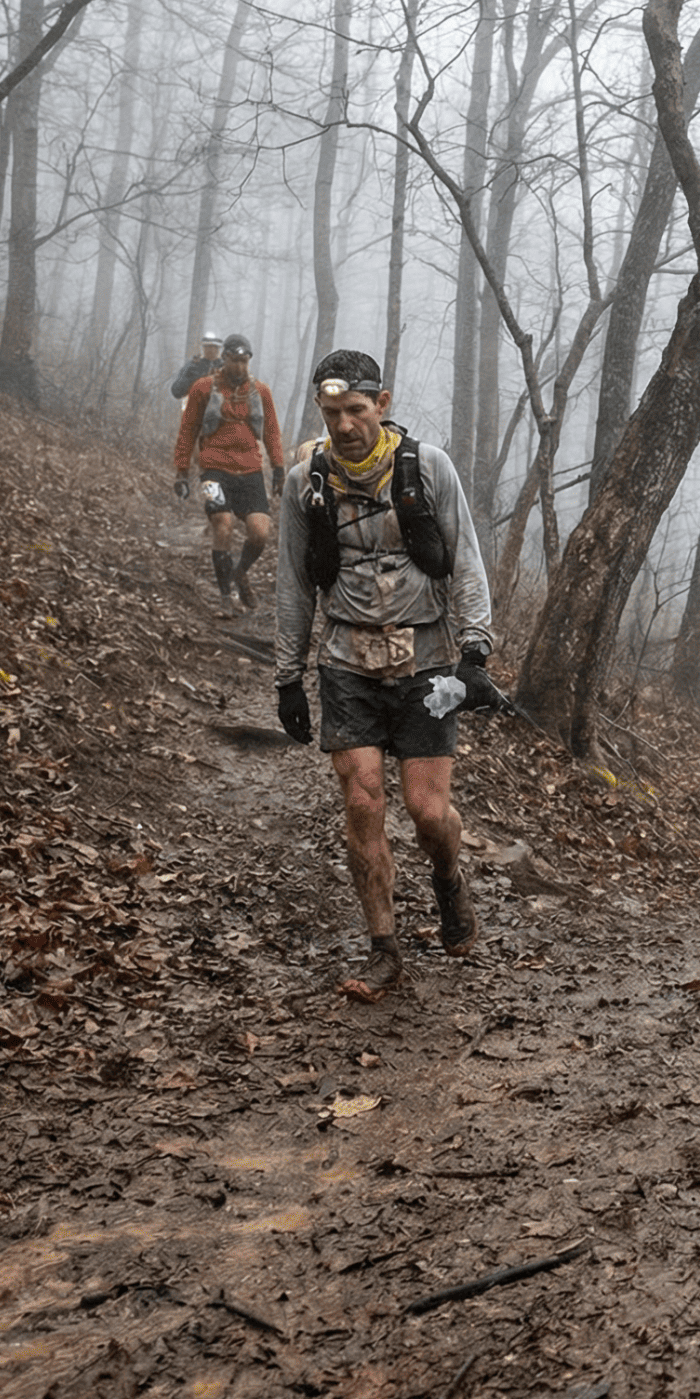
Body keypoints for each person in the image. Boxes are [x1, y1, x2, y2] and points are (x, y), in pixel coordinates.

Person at [272, 349, 497, 1001]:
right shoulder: (303, 482)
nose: (343, 424)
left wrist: (475, 652)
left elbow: (469, 562)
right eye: (332, 411)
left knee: (429, 813)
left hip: (426, 661)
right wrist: (288, 675)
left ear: (383, 402)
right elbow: (292, 582)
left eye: (356, 410)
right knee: (363, 801)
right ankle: (384, 948)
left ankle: (448, 875)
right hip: (346, 661)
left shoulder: (427, 469)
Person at [172, 333, 286, 617]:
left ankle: (239, 572)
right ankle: (225, 598)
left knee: (260, 532)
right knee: (222, 524)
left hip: (250, 470)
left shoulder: (260, 391)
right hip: (213, 468)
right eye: (234, 360)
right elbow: (188, 430)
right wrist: (182, 471)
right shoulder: (203, 388)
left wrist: (279, 468)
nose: (240, 367)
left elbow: (271, 431)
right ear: (224, 359)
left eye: (244, 361)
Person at [170, 332, 224, 400]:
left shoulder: (224, 367)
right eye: (207, 346)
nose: (211, 350)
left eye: (214, 347)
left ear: (218, 349)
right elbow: (177, 392)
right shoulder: (193, 366)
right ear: (203, 348)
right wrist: (188, 375)